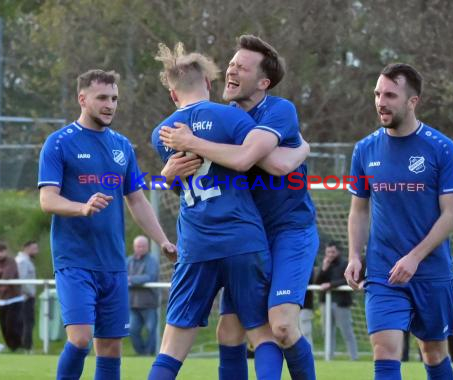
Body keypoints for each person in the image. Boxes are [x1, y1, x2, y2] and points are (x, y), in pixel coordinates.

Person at [159, 35, 318, 380]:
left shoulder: (278, 110)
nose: (230, 71)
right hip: (247, 236)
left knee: (282, 328)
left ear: (263, 82)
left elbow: (259, 162)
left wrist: (191, 141)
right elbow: (200, 179)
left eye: (241, 68)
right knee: (228, 333)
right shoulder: (222, 118)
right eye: (231, 64)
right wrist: (167, 175)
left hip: (288, 232)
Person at [38, 69, 176, 380]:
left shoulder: (122, 146)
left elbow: (137, 200)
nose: (110, 104)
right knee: (81, 339)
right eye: (102, 98)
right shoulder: (59, 143)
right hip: (75, 261)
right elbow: (48, 200)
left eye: (114, 98)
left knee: (111, 347)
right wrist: (81, 207)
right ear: (82, 99)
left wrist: (163, 240)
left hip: (114, 265)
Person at [344, 63, 453, 380]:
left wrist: (414, 257)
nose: (381, 101)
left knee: (434, 352)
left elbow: (450, 216)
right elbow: (359, 209)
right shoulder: (365, 149)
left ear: (413, 101)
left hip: (430, 270)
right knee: (385, 350)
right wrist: (355, 255)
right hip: (383, 270)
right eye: (377, 94)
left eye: (390, 95)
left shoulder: (442, 149)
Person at [315, 240, 358, 360]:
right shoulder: (325, 264)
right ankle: (329, 356)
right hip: (325, 302)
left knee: (346, 331)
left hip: (341, 303)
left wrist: (331, 284)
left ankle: (354, 357)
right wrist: (324, 268)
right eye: (328, 252)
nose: (330, 254)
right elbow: (318, 282)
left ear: (338, 252)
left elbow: (347, 280)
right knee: (327, 331)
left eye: (333, 252)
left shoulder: (345, 264)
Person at [128, 235, 160, 356]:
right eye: (138, 246)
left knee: (151, 330)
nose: (140, 248)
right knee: (132, 330)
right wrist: (132, 280)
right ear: (134, 247)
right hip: (133, 303)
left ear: (147, 247)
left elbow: (149, 277)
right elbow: (121, 276)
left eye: (142, 246)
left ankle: (149, 353)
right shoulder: (129, 260)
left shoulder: (151, 261)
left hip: (148, 303)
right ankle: (141, 354)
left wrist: (131, 279)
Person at [0, 241, 24, 352]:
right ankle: (11, 347)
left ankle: (17, 347)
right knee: (4, 326)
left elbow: (7, 276)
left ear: (6, 252)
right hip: (1, 300)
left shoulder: (11, 261)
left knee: (11, 325)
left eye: (1, 252)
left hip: (14, 299)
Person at [15, 240, 39, 352]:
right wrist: (30, 293)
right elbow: (22, 279)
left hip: (27, 296)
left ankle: (27, 346)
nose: (36, 252)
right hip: (26, 297)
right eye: (34, 249)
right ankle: (27, 347)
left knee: (28, 321)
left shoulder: (26, 261)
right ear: (27, 248)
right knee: (27, 322)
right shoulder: (22, 261)